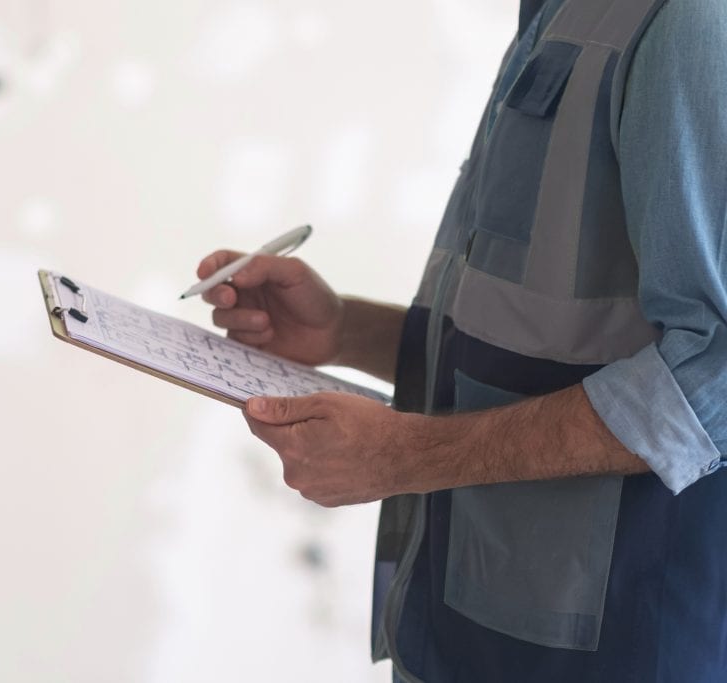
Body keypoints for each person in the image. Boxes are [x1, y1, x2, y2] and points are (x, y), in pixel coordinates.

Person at [195, 0, 727, 680]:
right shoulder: (559, 12)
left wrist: (409, 454)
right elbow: (544, 339)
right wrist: (343, 329)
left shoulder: (690, 22)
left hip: (600, 654)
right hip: (464, 634)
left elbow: (712, 378)